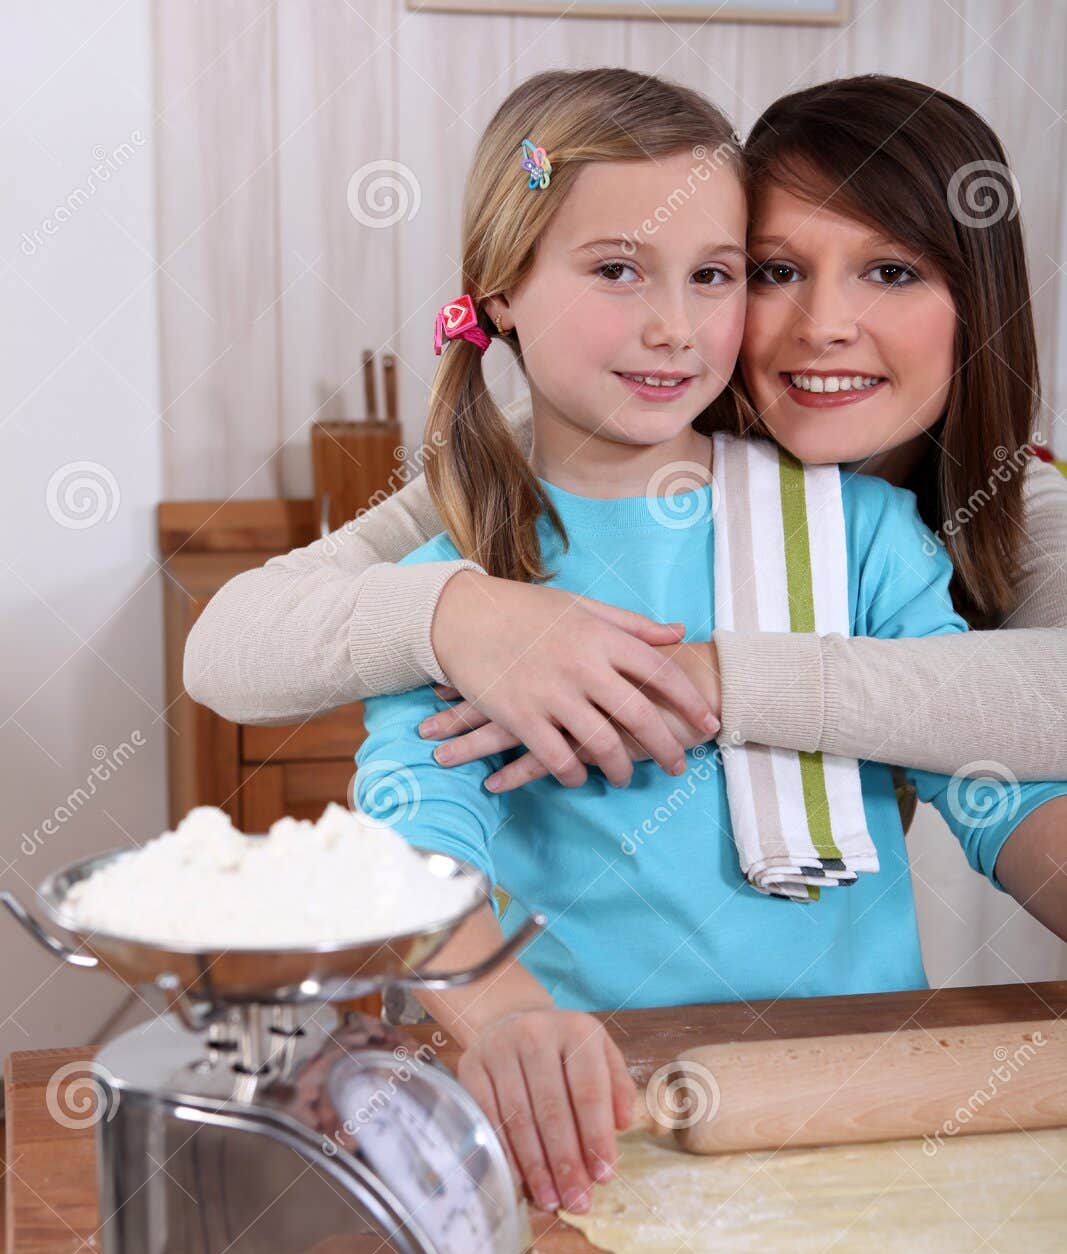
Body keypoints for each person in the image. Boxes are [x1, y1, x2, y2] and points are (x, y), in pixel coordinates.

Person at [336, 69, 1063, 1217]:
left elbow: (987, 785)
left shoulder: (860, 534)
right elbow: (408, 835)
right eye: (616, 269)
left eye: (714, 275)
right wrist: (507, 1017)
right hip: (596, 1111)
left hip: (852, 1100)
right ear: (501, 289)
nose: (671, 325)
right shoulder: (465, 589)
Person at [183, 76, 1067, 797]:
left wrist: (706, 678)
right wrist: (452, 612)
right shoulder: (565, 457)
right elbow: (231, 646)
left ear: (978, 304)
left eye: (892, 272)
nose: (824, 324)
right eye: (774, 271)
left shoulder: (1010, 498)